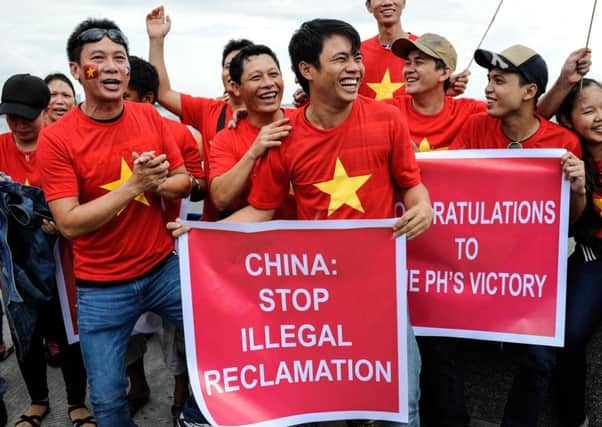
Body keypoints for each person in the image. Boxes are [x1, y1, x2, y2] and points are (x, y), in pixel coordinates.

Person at [173, 18, 433, 427]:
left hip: (381, 290)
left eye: (357, 58)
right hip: (317, 298)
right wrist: (205, 238)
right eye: (340, 59)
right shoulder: (285, 135)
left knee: (400, 407)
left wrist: (424, 207)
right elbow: (262, 208)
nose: (354, 68)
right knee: (318, 406)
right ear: (308, 70)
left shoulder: (388, 120)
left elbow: (412, 187)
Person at [36, 18, 192, 427]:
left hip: (164, 270)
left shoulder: (151, 118)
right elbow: (68, 223)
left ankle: (196, 417)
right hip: (101, 290)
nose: (111, 67)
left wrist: (159, 183)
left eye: (119, 58)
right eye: (97, 59)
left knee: (217, 351)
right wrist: (133, 185)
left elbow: (182, 181)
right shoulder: (57, 138)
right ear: (76, 70)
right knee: (106, 400)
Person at [448, 45, 584, 427]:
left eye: (499, 80)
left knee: (540, 358)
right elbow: (452, 192)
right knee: (440, 341)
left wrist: (578, 189)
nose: (488, 88)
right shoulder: (476, 127)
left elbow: (568, 224)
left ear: (529, 91)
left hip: (530, 278)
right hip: (476, 269)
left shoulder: (563, 144)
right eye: (488, 80)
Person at [0, 73, 94, 427]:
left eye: (28, 117)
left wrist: (62, 222)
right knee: (26, 336)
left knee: (68, 332)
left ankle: (77, 403)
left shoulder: (62, 145)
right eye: (13, 118)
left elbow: (81, 200)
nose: (21, 125)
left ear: (45, 111)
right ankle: (37, 400)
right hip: (16, 266)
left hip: (61, 260)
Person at [122, 54, 205, 420]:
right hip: (121, 256)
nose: (113, 105)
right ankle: (136, 384)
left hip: (170, 250)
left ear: (147, 100)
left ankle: (179, 392)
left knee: (178, 331)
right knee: (129, 334)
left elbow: (198, 185)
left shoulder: (178, 134)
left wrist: (171, 183)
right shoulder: (96, 133)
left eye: (125, 96)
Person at [146, 5, 252, 221]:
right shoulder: (208, 110)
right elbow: (163, 92)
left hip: (267, 225)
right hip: (218, 223)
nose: (232, 73)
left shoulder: (279, 116)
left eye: (241, 66)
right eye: (228, 66)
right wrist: (157, 41)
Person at [554, 77, 602, 427]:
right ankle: (574, 418)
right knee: (567, 336)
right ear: (568, 120)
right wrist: (579, 190)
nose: (599, 117)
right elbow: (571, 224)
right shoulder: (567, 159)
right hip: (592, 257)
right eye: (588, 111)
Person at [209, 44, 295, 218]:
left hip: (310, 242)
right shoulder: (225, 139)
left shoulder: (305, 120)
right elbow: (220, 199)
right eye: (256, 78)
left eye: (273, 74)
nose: (269, 84)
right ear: (235, 87)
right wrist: (253, 153)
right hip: (256, 242)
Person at [387, 33, 486, 151]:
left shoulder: (470, 111)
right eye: (407, 63)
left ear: (444, 73)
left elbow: (511, 112)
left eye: (419, 62)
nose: (409, 69)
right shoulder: (388, 111)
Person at [360, 0, 468, 100]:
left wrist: (442, 88)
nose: (387, 2)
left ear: (404, 2)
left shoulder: (427, 49)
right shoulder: (356, 54)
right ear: (368, 6)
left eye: (418, 61)